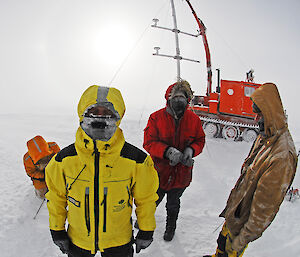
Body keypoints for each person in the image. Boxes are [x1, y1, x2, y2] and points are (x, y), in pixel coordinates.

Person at [45, 85, 159, 257]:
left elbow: (146, 199)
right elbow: (56, 198)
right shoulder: (63, 160)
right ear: (82, 113)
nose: (100, 117)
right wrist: (57, 229)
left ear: (117, 117)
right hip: (78, 241)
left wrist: (146, 230)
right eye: (94, 111)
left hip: (119, 241)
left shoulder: (137, 160)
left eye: (107, 112)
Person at [204, 83, 298, 257]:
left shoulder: (282, 155)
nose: (255, 119)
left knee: (229, 252)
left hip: (241, 228)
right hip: (235, 215)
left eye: (259, 114)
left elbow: (264, 209)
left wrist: (241, 241)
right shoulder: (267, 137)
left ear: (270, 112)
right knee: (221, 243)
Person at [143, 80, 206, 241]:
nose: (179, 99)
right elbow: (148, 142)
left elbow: (200, 140)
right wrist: (167, 152)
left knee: (173, 203)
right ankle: (144, 223)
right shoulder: (156, 117)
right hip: (158, 173)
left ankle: (170, 228)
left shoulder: (194, 120)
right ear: (169, 98)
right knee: (152, 200)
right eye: (175, 96)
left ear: (187, 99)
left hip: (181, 174)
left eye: (182, 96)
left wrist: (191, 150)